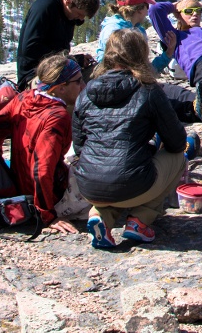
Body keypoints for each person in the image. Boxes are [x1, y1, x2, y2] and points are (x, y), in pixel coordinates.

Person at [73, 29, 188, 249]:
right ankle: (140, 220)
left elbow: (80, 147)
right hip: (133, 182)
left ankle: (100, 217)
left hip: (89, 185)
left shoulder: (85, 93)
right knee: (177, 158)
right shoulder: (148, 90)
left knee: (113, 181)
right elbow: (175, 141)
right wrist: (153, 146)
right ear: (141, 55)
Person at [0, 53, 86, 234]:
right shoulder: (57, 117)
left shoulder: (23, 98)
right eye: (78, 81)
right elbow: (42, 169)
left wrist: (1, 169)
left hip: (19, 186)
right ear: (60, 88)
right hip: (48, 198)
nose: (83, 86)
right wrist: (47, 215)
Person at [15, 0, 100, 89]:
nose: (80, 19)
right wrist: (70, 60)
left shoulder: (68, 14)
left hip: (59, 70)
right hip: (35, 76)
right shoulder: (44, 7)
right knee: (74, 87)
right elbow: (30, 48)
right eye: (79, 14)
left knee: (101, 74)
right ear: (68, 2)